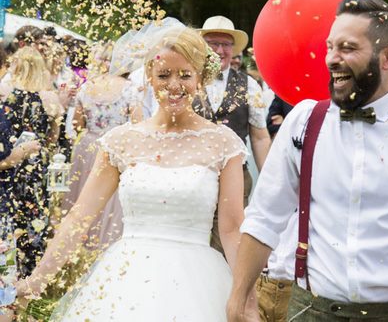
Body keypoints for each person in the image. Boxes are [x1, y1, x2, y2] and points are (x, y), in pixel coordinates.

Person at [227, 0, 388, 321]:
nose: (331, 59)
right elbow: (265, 216)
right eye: (329, 47)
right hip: (309, 311)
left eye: (348, 48)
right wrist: (240, 299)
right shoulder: (305, 121)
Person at [14, 21, 256, 321]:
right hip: (125, 278)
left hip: (197, 282)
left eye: (185, 75)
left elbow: (232, 230)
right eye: (164, 75)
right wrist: (36, 281)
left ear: (200, 79)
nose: (174, 85)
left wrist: (247, 300)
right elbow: (80, 217)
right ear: (149, 79)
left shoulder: (223, 144)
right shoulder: (121, 141)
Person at [193, 15, 271, 254]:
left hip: (236, 177)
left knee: (230, 245)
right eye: (213, 43)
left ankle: (227, 290)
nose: (220, 50)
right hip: (191, 175)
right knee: (192, 242)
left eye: (226, 44)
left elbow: (259, 136)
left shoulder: (249, 85)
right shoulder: (186, 79)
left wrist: (270, 180)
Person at [62, 41, 143, 250]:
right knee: (110, 197)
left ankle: (78, 246)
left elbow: (77, 124)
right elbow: (138, 125)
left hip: (88, 146)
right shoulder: (130, 90)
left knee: (83, 195)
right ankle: (105, 244)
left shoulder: (87, 87)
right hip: (117, 148)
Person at [1, 46, 63, 278]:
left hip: (10, 163)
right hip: (37, 165)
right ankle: (30, 270)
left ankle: (8, 267)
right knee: (36, 213)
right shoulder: (50, 98)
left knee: (10, 214)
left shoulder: (7, 93)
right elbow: (54, 137)